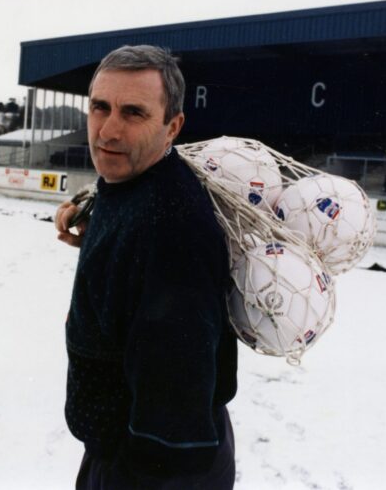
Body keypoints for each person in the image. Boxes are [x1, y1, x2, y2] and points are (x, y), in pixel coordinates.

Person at [55, 45, 238, 489]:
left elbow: (176, 405)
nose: (108, 130)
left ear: (172, 126)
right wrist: (91, 221)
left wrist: (141, 471)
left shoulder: (172, 229)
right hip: (117, 448)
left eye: (133, 113)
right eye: (100, 107)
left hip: (152, 468)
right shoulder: (138, 185)